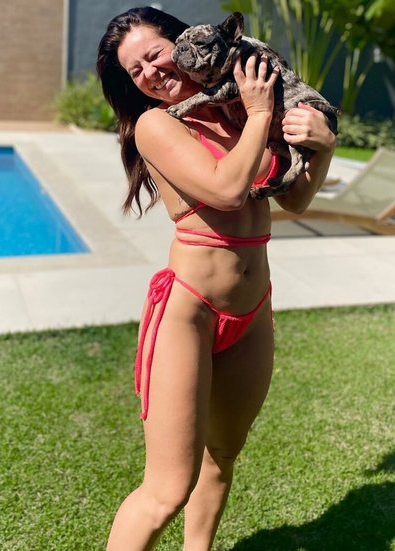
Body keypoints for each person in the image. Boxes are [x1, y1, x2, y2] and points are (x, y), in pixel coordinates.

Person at [97, 7, 335, 550]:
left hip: (252, 310)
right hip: (190, 312)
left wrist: (321, 147)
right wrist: (259, 113)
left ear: (182, 42)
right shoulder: (157, 125)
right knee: (166, 490)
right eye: (135, 71)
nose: (150, 73)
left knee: (222, 456)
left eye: (154, 55)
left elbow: (296, 200)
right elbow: (227, 190)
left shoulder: (233, 110)